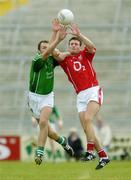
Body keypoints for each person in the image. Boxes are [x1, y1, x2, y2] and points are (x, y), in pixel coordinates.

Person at [53, 22, 110, 169]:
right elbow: (54, 53)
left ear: (79, 46)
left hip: (93, 90)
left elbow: (91, 46)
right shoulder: (65, 59)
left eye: (75, 44)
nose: (73, 46)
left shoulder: (85, 54)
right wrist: (58, 38)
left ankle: (90, 151)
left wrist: (79, 35)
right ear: (69, 46)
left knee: (88, 119)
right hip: (80, 95)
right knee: (86, 128)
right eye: (71, 44)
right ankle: (103, 156)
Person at [28, 20, 74, 165]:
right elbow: (49, 50)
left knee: (43, 122)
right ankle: (63, 141)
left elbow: (57, 54)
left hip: (47, 97)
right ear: (39, 50)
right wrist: (56, 37)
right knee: (50, 132)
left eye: (46, 46)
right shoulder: (37, 60)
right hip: (34, 98)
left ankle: (39, 153)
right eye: (42, 47)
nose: (45, 49)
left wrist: (65, 50)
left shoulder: (50, 60)